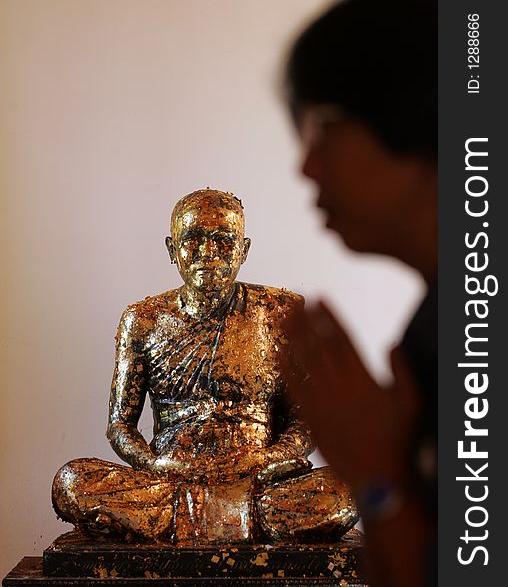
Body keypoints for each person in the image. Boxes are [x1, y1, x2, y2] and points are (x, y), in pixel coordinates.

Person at [52, 188, 358, 545]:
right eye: (193, 240)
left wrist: (274, 457)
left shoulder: (280, 313)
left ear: (243, 250)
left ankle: (189, 520)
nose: (208, 254)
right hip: (170, 480)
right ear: (171, 249)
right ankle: (240, 520)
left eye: (223, 240)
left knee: (348, 488)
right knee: (72, 482)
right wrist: (154, 466)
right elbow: (121, 426)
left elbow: (304, 419)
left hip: (259, 479)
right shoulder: (144, 320)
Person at [280, 0, 437, 586]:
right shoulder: (439, 321)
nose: (307, 167)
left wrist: (376, 477)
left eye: (324, 128)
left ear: (414, 111)